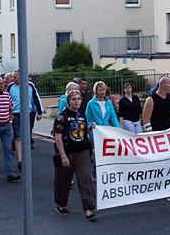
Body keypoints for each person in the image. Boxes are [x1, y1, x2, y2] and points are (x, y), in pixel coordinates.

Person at [53, 88, 97, 221]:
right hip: (67, 151)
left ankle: (89, 208)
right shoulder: (62, 116)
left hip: (82, 150)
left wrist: (90, 128)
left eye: (78, 99)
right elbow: (58, 137)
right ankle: (61, 204)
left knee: (85, 179)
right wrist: (63, 156)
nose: (76, 102)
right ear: (68, 101)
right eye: (73, 99)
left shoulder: (82, 114)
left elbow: (81, 132)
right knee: (63, 180)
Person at [142, 76, 170, 203]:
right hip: (156, 136)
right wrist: (150, 135)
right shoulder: (151, 99)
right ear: (165, 86)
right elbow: (146, 119)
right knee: (157, 163)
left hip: (169, 135)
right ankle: (154, 186)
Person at [7, 69, 43, 171]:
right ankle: (20, 160)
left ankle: (24, 153)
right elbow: (7, 100)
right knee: (18, 136)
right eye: (13, 77)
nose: (13, 79)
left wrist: (40, 112)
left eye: (15, 77)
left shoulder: (30, 86)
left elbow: (36, 98)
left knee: (27, 133)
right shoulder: (10, 87)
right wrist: (8, 114)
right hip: (16, 114)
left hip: (29, 113)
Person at [85, 81, 119, 181]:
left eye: (104, 90)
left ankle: (105, 172)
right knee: (99, 152)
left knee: (107, 152)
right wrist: (89, 127)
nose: (102, 92)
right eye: (100, 90)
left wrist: (118, 131)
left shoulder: (108, 103)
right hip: (95, 131)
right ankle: (95, 174)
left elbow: (113, 117)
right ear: (96, 91)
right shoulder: (91, 103)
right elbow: (88, 118)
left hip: (106, 131)